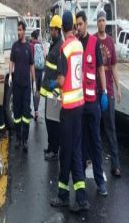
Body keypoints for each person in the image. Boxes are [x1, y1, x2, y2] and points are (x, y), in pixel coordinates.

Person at [50, 11, 89, 212]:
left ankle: (63, 195)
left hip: (68, 108)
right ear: (72, 26)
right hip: (80, 104)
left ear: (62, 28)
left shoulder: (64, 49)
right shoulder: (79, 46)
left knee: (66, 152)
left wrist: (54, 85)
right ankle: (81, 198)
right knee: (74, 150)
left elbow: (62, 80)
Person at [76, 11, 108, 196]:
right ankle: (80, 182)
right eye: (76, 24)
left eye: (80, 24)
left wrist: (103, 92)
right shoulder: (75, 44)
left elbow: (100, 70)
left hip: (93, 102)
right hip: (79, 104)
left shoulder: (95, 43)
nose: (78, 27)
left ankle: (99, 181)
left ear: (86, 24)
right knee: (80, 143)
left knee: (95, 142)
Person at [96, 9, 121, 177]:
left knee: (110, 128)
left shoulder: (111, 42)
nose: (102, 23)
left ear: (106, 22)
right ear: (97, 22)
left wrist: (118, 88)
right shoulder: (92, 41)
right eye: (99, 20)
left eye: (104, 20)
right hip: (96, 93)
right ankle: (94, 163)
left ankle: (115, 165)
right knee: (95, 129)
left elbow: (113, 67)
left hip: (109, 92)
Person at [8, 20, 36, 152]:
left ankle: (25, 140)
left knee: (26, 114)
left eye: (20, 30)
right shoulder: (15, 46)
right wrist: (9, 75)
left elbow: (32, 65)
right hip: (16, 86)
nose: (18, 32)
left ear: (24, 31)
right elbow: (11, 61)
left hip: (26, 87)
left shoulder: (28, 47)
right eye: (17, 30)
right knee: (17, 114)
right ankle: (18, 139)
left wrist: (34, 81)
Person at [40, 15, 63, 161]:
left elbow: (61, 72)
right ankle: (50, 146)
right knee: (49, 121)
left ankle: (54, 151)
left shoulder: (60, 46)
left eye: (51, 29)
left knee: (53, 123)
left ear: (57, 30)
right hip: (48, 91)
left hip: (53, 93)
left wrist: (56, 89)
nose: (50, 32)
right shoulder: (55, 44)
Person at [30, 29, 44, 121]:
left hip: (34, 71)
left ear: (32, 37)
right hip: (41, 71)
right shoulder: (41, 45)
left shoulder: (31, 45)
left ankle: (34, 110)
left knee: (34, 91)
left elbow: (30, 61)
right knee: (38, 91)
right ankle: (37, 110)